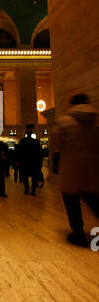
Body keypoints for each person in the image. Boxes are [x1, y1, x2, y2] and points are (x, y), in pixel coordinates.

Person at [52, 93, 99, 247]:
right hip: (93, 168)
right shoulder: (95, 120)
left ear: (72, 104)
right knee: (94, 200)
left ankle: (78, 233)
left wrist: (56, 166)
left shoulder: (64, 122)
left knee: (71, 201)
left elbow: (57, 147)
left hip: (71, 168)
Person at [19, 124, 42, 196]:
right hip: (34, 162)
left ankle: (26, 189)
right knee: (34, 177)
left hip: (25, 162)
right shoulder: (36, 142)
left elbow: (20, 152)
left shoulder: (22, 141)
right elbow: (39, 153)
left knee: (25, 177)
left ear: (26, 134)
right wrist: (40, 163)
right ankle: (33, 190)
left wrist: (19, 161)